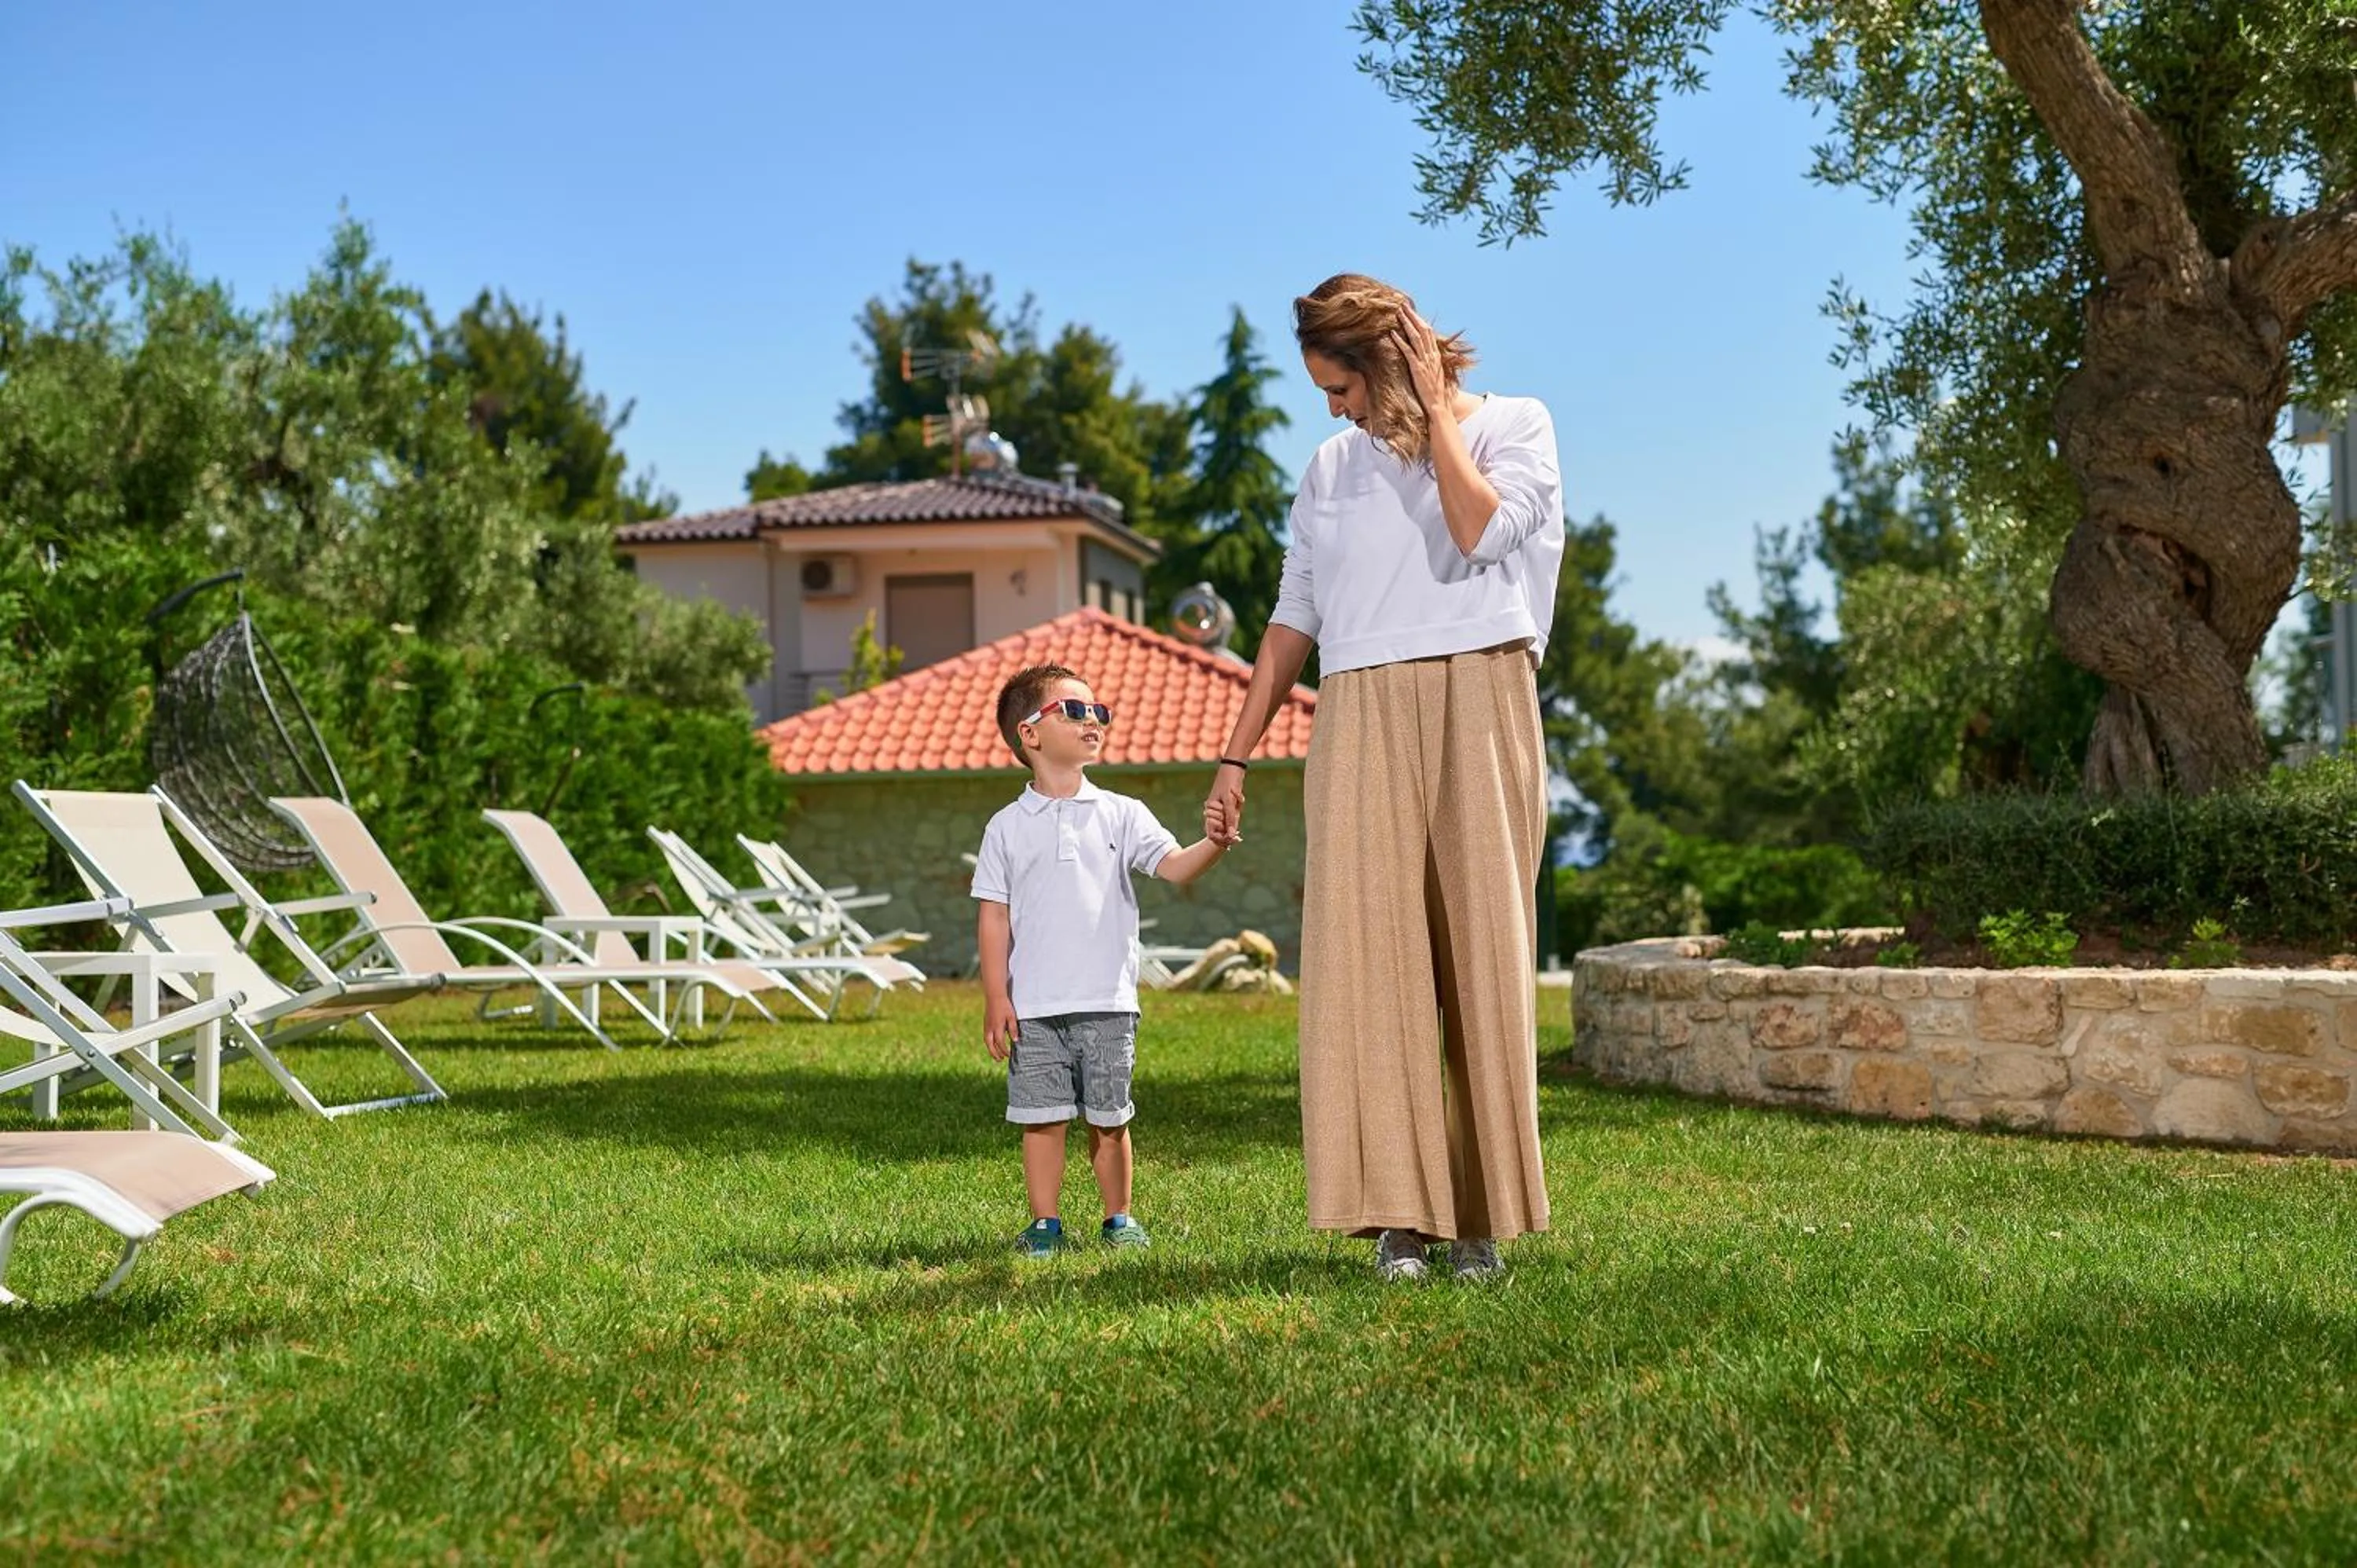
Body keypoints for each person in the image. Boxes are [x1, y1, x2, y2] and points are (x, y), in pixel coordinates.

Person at [1204, 273, 1563, 1282]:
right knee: (1371, 966)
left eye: (1343, 386)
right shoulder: (1328, 469)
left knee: (1482, 959)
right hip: (1356, 705)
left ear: (1389, 359)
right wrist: (1236, 752)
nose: (1334, 409)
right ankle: (1399, 1219)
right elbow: (1292, 616)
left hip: (1482, 691)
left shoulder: (1516, 425)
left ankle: (1480, 1218)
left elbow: (1482, 531)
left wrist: (1434, 407)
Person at [973, 663, 1231, 1258]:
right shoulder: (1006, 828)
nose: (1093, 720)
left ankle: (1119, 1217)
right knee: (1041, 1118)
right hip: (1035, 1007)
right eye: (1074, 710)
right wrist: (996, 996)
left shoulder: (1122, 813)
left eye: (1098, 711)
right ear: (1029, 735)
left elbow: (1173, 866)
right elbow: (993, 917)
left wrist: (1213, 843)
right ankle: (1045, 1223)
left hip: (1110, 1004)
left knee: (1110, 1118)